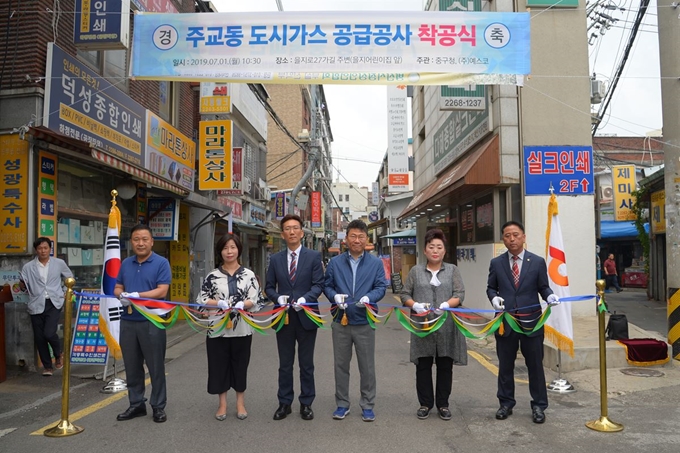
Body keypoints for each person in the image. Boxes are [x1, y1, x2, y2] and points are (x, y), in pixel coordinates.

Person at [486, 221, 559, 424]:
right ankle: (506, 403)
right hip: (506, 323)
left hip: (531, 322)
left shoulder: (536, 262)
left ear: (523, 237)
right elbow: (491, 288)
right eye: (507, 235)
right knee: (505, 365)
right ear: (503, 239)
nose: (512, 239)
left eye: (516, 235)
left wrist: (550, 296)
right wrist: (494, 298)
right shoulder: (496, 263)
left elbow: (543, 287)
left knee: (535, 365)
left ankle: (538, 406)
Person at [324, 219, 388, 422]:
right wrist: (334, 296)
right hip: (340, 320)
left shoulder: (375, 263)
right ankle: (342, 404)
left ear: (366, 239)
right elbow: (327, 285)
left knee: (367, 366)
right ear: (346, 239)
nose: (357, 240)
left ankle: (368, 404)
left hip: (364, 321)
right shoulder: (335, 263)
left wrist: (370, 297)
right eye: (353, 236)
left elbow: (381, 287)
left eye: (361, 236)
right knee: (341, 365)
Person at [400, 228, 466, 421]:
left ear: (444, 251)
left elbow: (460, 294)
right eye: (431, 247)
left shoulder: (452, 270)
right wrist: (415, 305)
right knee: (423, 365)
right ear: (425, 250)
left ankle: (443, 404)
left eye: (439, 247)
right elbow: (405, 294)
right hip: (423, 326)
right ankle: (425, 404)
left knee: (445, 365)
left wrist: (447, 304)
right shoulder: (415, 271)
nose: (435, 250)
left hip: (447, 326)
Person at [197, 234, 264, 421]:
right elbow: (201, 300)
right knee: (219, 366)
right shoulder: (212, 276)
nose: (229, 251)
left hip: (242, 328)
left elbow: (257, 299)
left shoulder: (249, 275)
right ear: (220, 251)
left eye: (233, 247)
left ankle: (240, 402)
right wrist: (217, 303)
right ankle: (222, 404)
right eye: (225, 248)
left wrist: (246, 304)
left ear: (238, 250)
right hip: (217, 329)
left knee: (240, 365)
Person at [265, 214, 324, 421]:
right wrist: (277, 297)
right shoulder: (275, 259)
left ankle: (306, 403)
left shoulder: (314, 257)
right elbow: (269, 287)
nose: (291, 231)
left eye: (295, 228)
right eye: (287, 228)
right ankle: (284, 402)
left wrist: (305, 299)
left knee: (306, 363)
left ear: (301, 232)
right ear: (282, 234)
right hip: (283, 317)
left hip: (307, 316)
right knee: (285, 363)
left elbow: (318, 284)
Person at [114, 224, 172, 423]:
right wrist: (121, 295)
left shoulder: (161, 263)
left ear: (151, 242)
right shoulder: (126, 263)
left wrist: (137, 296)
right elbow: (118, 286)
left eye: (144, 239)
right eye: (136, 239)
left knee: (155, 366)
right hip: (128, 321)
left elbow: (162, 291)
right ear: (131, 242)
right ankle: (136, 404)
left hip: (152, 321)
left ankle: (158, 406)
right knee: (131, 366)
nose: (140, 243)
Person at [20, 237, 73, 376]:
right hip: (35, 303)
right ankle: (47, 366)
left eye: (45, 248)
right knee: (39, 337)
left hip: (53, 302)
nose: (43, 251)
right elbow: (23, 284)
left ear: (50, 249)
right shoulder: (28, 267)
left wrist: (65, 292)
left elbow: (70, 278)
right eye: (40, 248)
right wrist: (22, 286)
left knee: (49, 333)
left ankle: (58, 354)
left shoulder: (59, 263)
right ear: (36, 250)